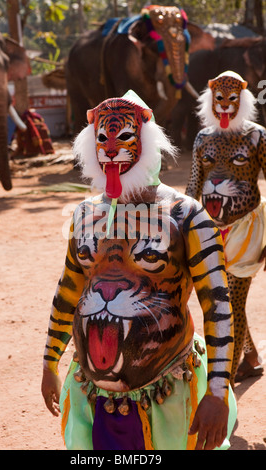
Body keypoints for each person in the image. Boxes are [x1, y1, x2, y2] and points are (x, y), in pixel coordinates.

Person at [42, 90, 236, 450]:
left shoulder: (187, 214)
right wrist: (50, 362)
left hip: (170, 398)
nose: (111, 149)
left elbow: (218, 306)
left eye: (125, 137)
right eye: (102, 139)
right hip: (91, 397)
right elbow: (69, 289)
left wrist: (217, 392)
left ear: (147, 142)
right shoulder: (84, 213)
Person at [186, 71, 266, 387]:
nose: (225, 106)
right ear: (210, 99)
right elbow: (193, 184)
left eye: (232, 99)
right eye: (219, 99)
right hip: (209, 230)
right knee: (221, 300)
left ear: (242, 99)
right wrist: (179, 222)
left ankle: (225, 385)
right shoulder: (203, 137)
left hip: (247, 231)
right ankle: (251, 357)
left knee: (231, 303)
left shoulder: (258, 136)